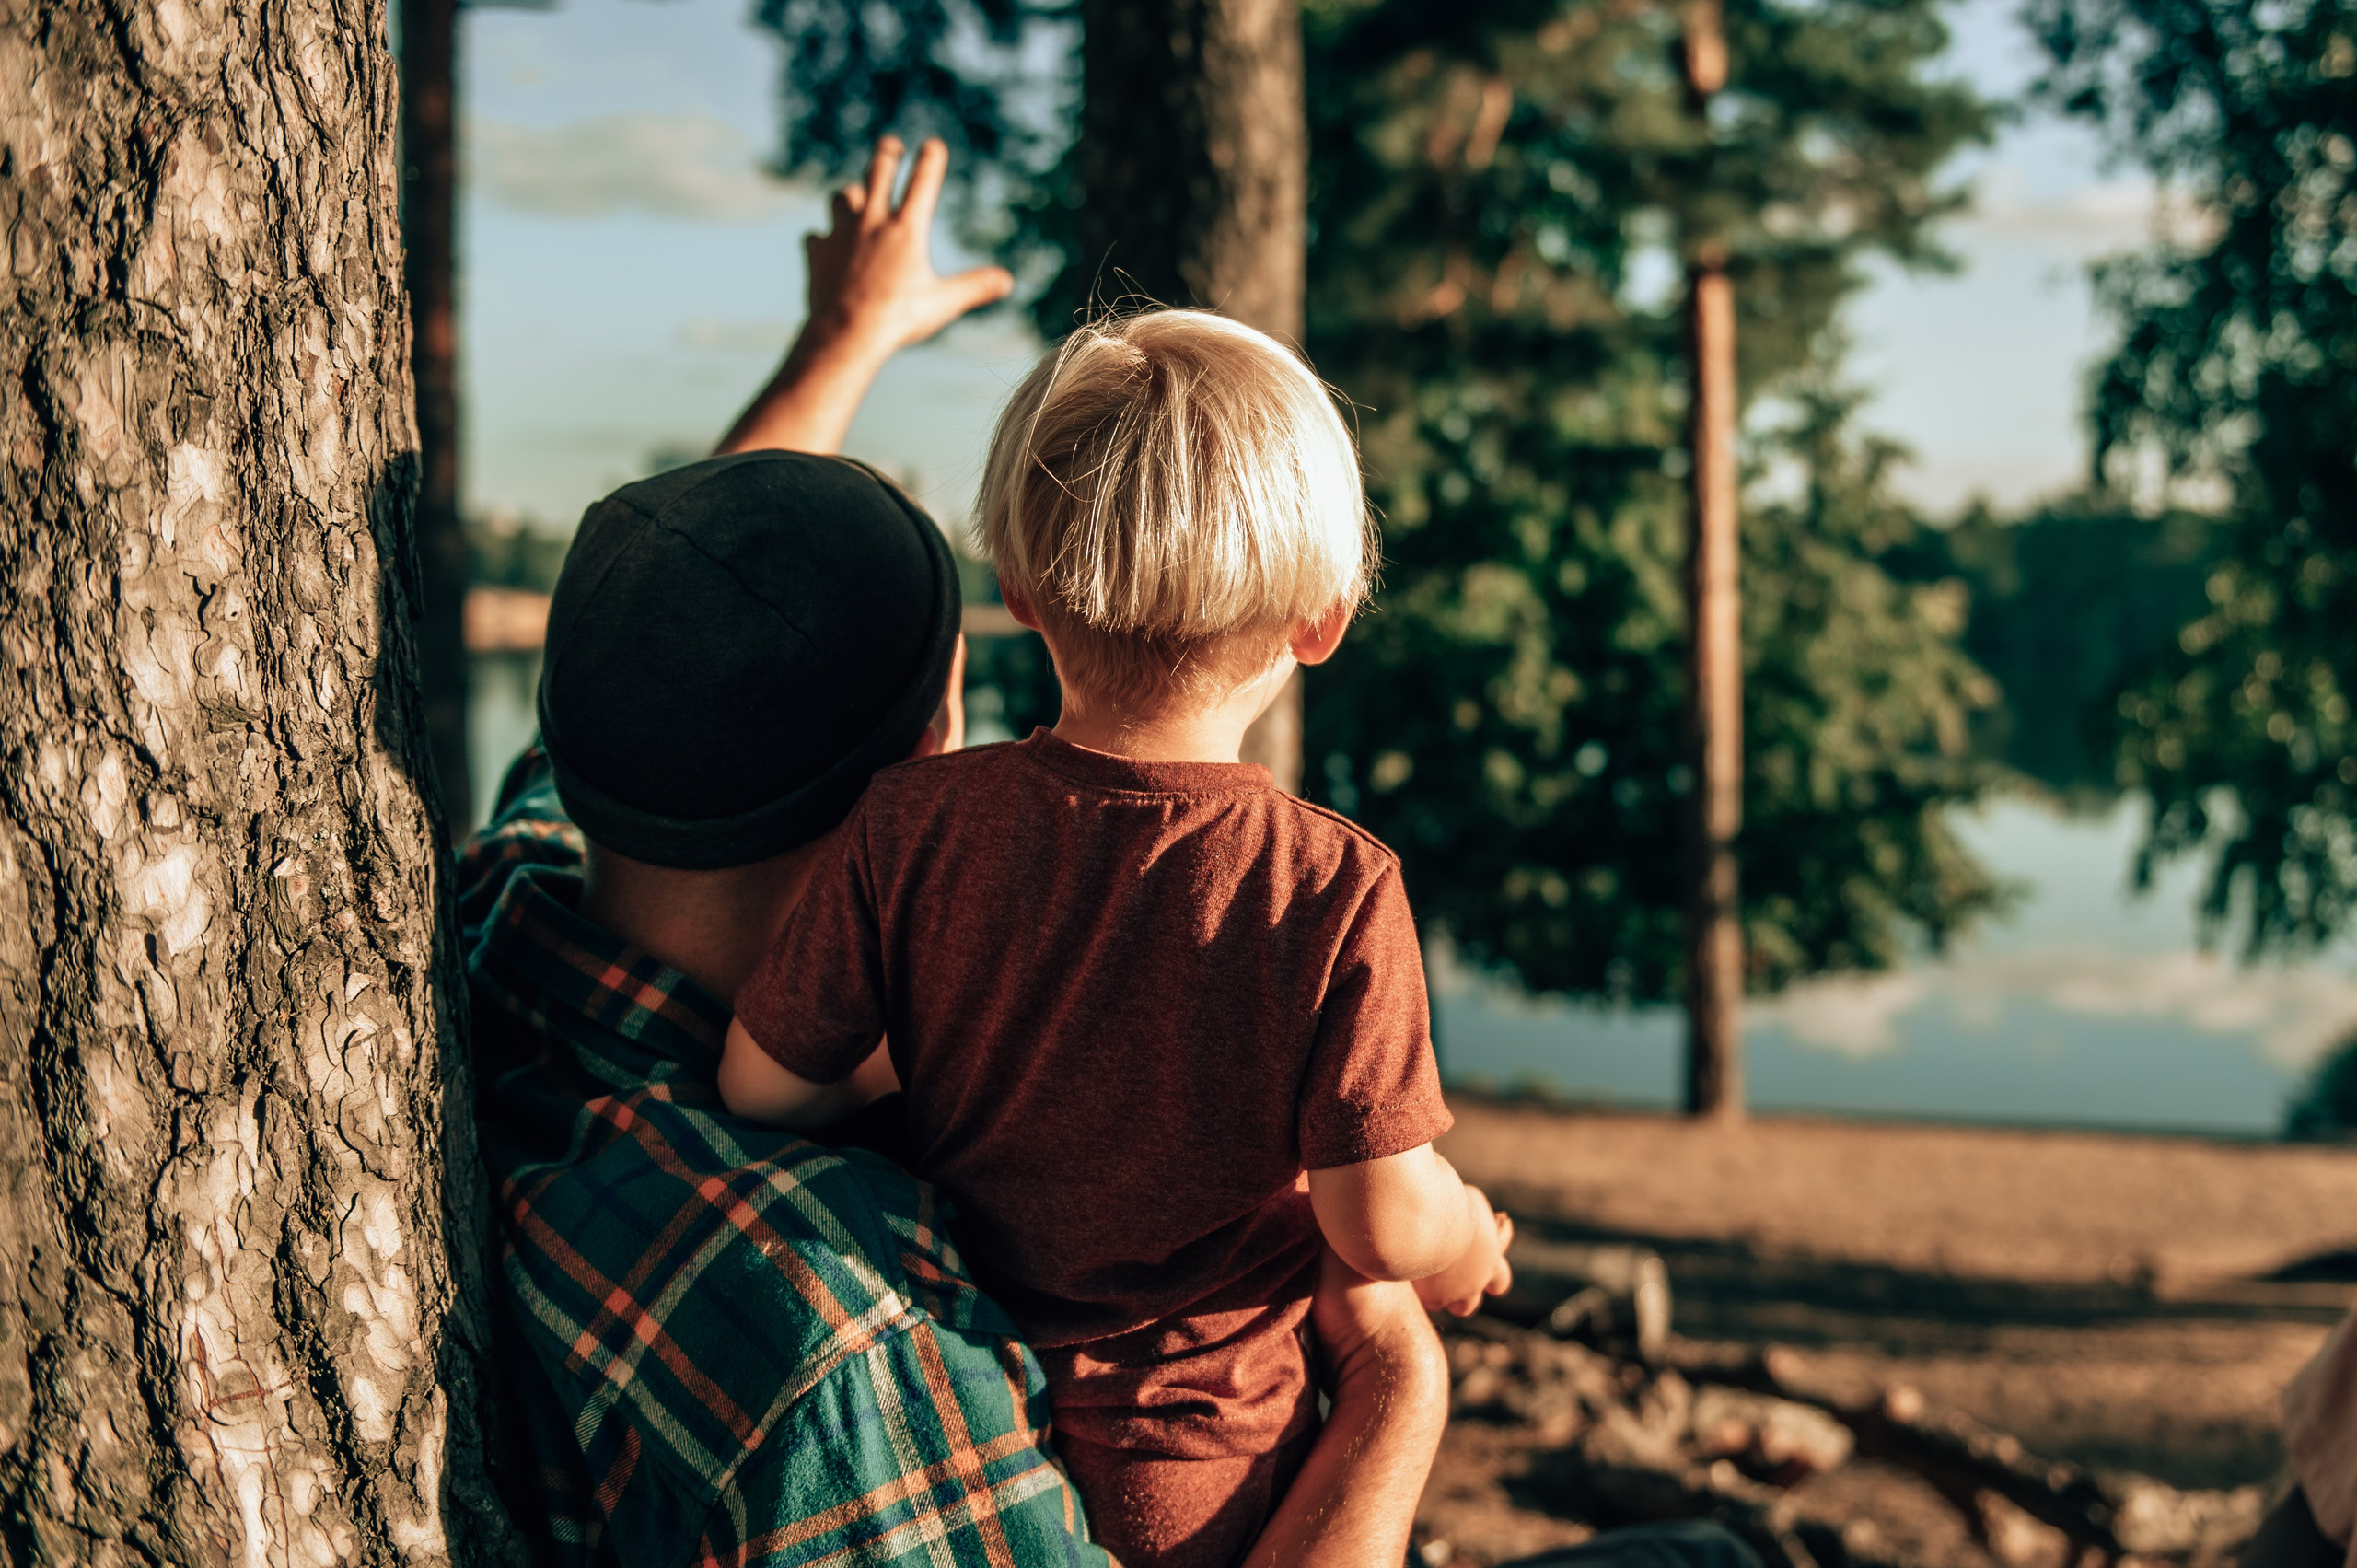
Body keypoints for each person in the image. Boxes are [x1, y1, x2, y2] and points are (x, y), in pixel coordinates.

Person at [462, 134, 1454, 1567]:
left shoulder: (511, 894)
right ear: (930, 736)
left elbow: (682, 593)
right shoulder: (848, 1353)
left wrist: (843, 338)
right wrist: (1395, 1391)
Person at [715, 298, 1513, 1563]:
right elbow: (1378, 1224)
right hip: (1199, 1466)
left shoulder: (913, 824)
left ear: (1024, 593)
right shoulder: (1331, 887)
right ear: (1320, 623)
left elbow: (761, 1087)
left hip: (966, 1406)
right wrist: (1466, 1238)